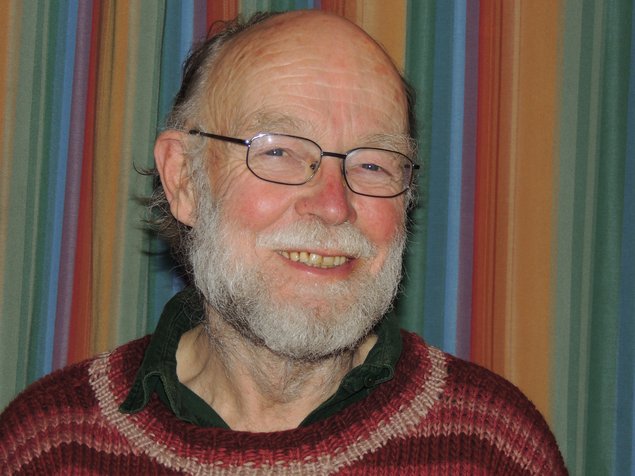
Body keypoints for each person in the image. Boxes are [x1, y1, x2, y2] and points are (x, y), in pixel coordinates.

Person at [0, 10, 567, 474]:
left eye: (373, 164)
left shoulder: (493, 448)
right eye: (278, 152)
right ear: (183, 180)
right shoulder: (50, 446)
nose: (334, 204)